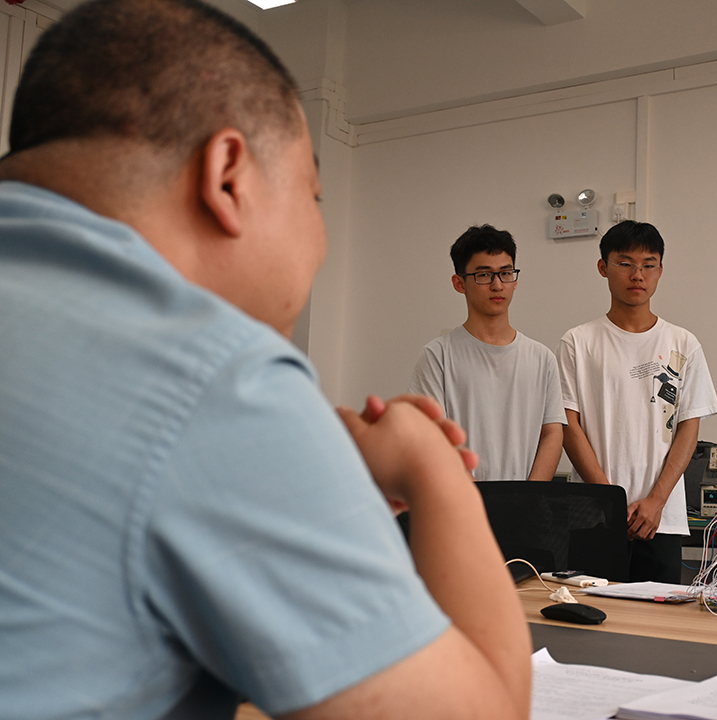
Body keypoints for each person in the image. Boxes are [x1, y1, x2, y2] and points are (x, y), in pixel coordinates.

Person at [0, 1, 530, 718]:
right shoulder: (211, 377)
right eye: (313, 195)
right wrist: (431, 466)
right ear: (228, 177)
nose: (320, 239)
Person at [558, 220, 717, 583]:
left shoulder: (683, 343)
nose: (638, 275)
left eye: (649, 264)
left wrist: (656, 500)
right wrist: (609, 501)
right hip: (595, 516)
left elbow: (688, 429)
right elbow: (569, 426)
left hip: (661, 517)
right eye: (625, 263)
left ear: (660, 270)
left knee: (656, 617)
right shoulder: (578, 342)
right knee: (590, 615)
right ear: (603, 267)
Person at [409, 225, 565, 481]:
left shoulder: (542, 358)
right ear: (459, 283)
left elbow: (552, 433)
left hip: (528, 502)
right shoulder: (437, 356)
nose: (497, 285)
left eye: (505, 273)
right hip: (462, 500)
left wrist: (530, 496)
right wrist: (477, 499)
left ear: (515, 280)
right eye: (484, 275)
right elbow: (432, 437)